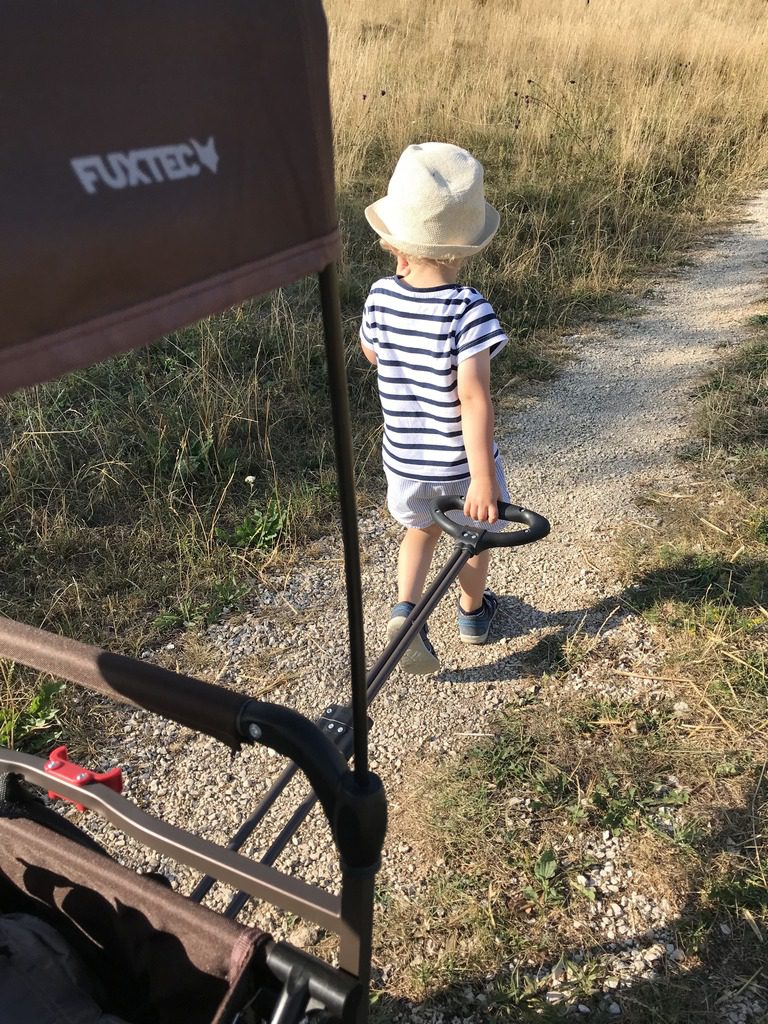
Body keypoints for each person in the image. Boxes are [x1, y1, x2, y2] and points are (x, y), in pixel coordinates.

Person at [360, 141, 511, 674]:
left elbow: (373, 353)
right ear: (465, 249)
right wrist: (483, 477)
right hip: (457, 465)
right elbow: (474, 397)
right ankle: (472, 614)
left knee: (419, 533)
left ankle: (407, 611)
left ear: (395, 245)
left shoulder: (379, 297)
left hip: (404, 461)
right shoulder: (468, 310)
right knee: (473, 538)